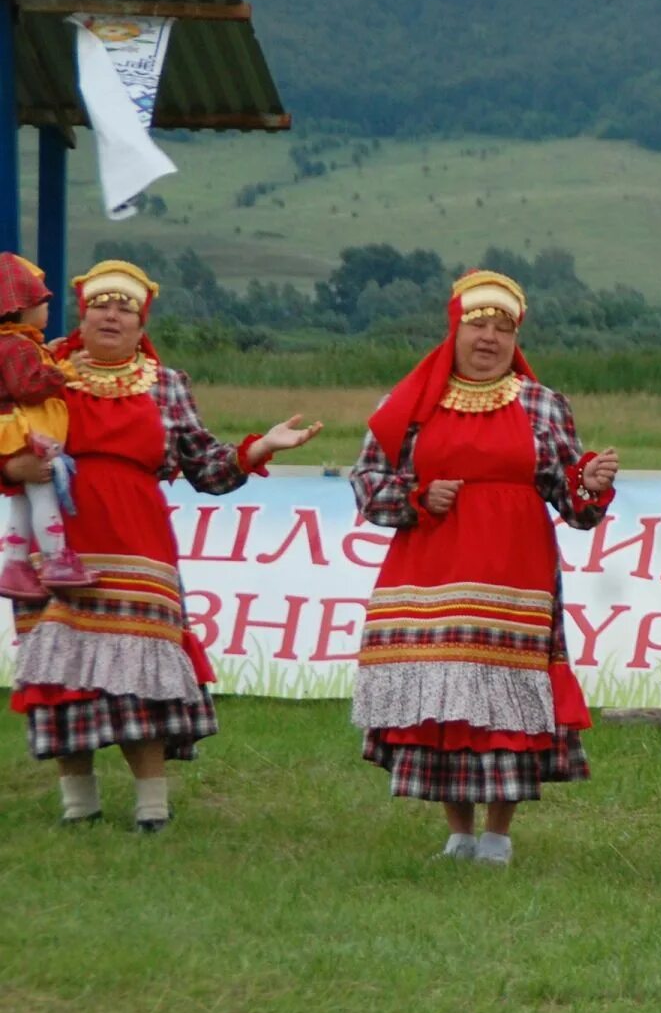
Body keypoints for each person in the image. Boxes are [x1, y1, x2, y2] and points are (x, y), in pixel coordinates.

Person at [4, 260, 319, 829]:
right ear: (83, 310)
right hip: (56, 545)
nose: (111, 314)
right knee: (60, 675)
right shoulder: (43, 369)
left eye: (125, 306)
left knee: (140, 678)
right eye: (101, 303)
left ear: (140, 320)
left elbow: (208, 469)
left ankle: (153, 806)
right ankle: (79, 805)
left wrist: (259, 448)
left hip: (138, 544)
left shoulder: (166, 384)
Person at [350, 271, 618, 866]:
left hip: (513, 567)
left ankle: (498, 834)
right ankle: (458, 832)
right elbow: (368, 484)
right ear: (455, 329)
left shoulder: (543, 404)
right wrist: (417, 500)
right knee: (448, 695)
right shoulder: (411, 402)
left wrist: (591, 484)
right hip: (431, 564)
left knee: (506, 699)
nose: (490, 338)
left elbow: (571, 499)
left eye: (504, 328)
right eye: (479, 324)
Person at [0, 252, 91, 598]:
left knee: (23, 501)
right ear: (23, 307)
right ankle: (55, 558)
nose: (47, 310)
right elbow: (28, 385)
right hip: (25, 434)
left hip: (12, 433)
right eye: (43, 302)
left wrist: (48, 355)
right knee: (43, 492)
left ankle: (15, 563)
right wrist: (64, 371)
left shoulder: (17, 344)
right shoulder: (18, 347)